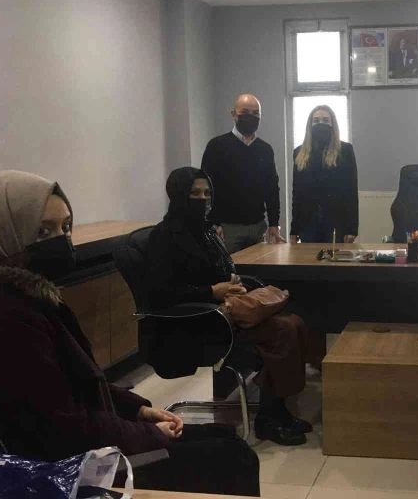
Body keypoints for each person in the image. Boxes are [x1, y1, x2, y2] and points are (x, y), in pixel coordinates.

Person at [0, 171, 259, 496]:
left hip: (91, 439)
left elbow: (80, 383)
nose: (60, 240)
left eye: (65, 227)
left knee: (225, 438)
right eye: (43, 231)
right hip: (68, 469)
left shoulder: (28, 297)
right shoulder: (2, 316)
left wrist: (137, 410)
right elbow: (61, 428)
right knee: (234, 459)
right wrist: (149, 434)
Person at [145, 166, 311, 446]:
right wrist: (212, 291)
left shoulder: (206, 231)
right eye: (195, 193)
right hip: (196, 323)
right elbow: (160, 294)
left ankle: (278, 408)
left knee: (294, 322)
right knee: (282, 330)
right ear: (178, 195)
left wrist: (232, 282)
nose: (203, 199)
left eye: (207, 193)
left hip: (224, 312)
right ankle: (268, 419)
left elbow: (219, 270)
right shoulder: (164, 237)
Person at [201, 93, 284, 253]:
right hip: (226, 229)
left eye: (255, 113)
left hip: (258, 227)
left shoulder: (265, 149)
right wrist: (212, 222)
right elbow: (206, 187)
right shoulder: (216, 146)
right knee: (229, 268)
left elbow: (272, 188)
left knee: (259, 268)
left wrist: (274, 223)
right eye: (245, 112)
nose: (250, 117)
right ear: (234, 114)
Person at [290, 105, 358, 243]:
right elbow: (297, 193)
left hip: (336, 221)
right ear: (310, 125)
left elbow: (351, 191)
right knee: (309, 257)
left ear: (333, 124)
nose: (320, 123)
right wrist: (294, 229)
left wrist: (352, 228)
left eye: (326, 120)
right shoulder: (299, 152)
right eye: (316, 120)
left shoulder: (345, 150)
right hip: (307, 222)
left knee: (334, 256)